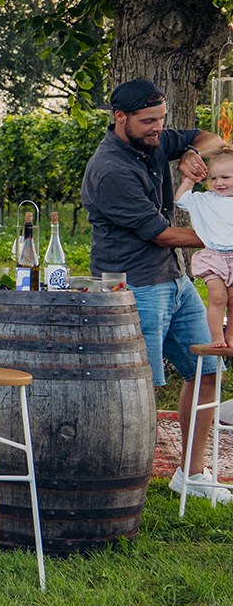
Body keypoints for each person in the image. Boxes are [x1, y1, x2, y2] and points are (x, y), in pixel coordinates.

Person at [80, 78, 228, 500]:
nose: (158, 128)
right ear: (119, 117)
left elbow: (211, 138)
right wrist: (223, 238)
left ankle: (192, 474)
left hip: (175, 281)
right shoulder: (110, 170)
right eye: (149, 121)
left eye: (162, 120)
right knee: (137, 390)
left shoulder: (155, 140)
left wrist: (194, 154)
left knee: (207, 371)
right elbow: (162, 234)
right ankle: (122, 483)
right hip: (134, 286)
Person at [175, 151, 233, 348]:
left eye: (225, 177)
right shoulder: (205, 200)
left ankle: (230, 336)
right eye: (213, 177)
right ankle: (216, 337)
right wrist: (190, 180)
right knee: (218, 297)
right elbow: (181, 200)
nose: (219, 182)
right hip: (214, 257)